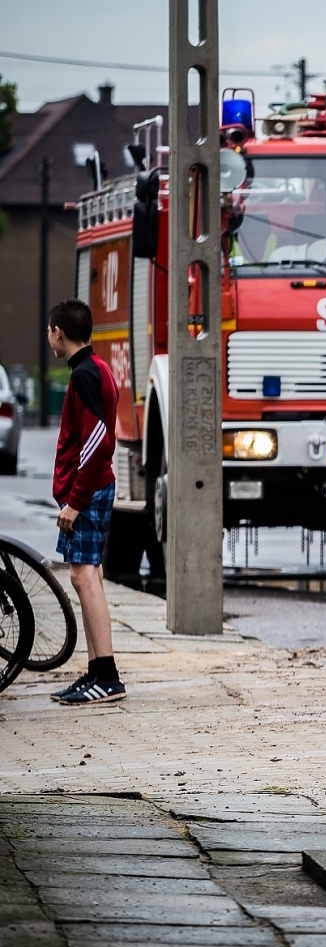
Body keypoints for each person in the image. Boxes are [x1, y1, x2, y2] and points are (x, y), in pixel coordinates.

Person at [46, 299, 125, 705]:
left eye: (49, 330)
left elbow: (98, 440)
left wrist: (75, 500)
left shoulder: (84, 376)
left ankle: (107, 675)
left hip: (88, 491)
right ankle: (97, 673)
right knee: (88, 575)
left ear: (59, 332)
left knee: (83, 577)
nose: (48, 337)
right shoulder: (98, 369)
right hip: (92, 488)